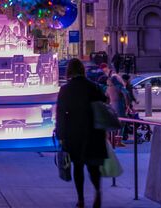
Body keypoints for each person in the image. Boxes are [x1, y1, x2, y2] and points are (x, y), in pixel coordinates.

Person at [56, 58, 109, 208]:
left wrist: (60, 135)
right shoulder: (94, 87)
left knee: (78, 167)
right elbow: (104, 104)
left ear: (69, 71)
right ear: (83, 70)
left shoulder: (65, 90)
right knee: (93, 167)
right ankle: (98, 192)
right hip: (94, 132)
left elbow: (61, 114)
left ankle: (81, 199)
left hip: (74, 134)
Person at [103, 64, 128, 146]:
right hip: (119, 105)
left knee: (113, 122)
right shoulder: (119, 87)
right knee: (122, 122)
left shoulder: (109, 88)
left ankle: (112, 140)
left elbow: (106, 97)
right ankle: (119, 141)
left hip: (111, 105)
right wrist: (127, 105)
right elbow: (126, 95)